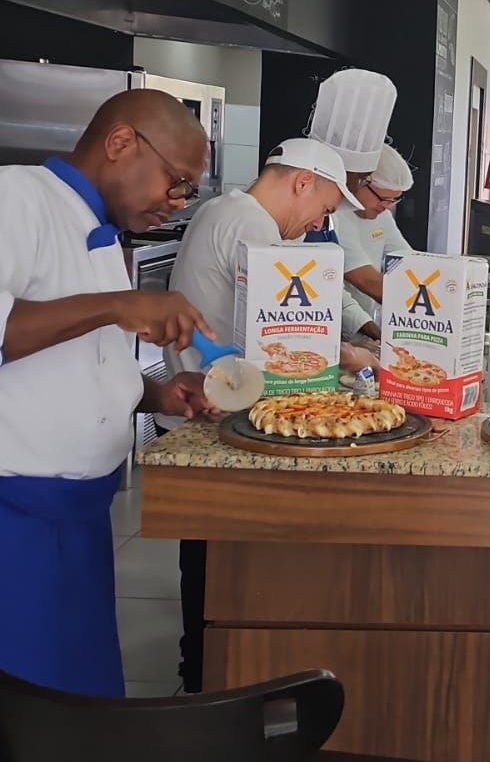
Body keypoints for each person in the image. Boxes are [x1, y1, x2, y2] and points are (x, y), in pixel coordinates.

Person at [0, 89, 222, 697]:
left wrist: (159, 395)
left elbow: (76, 368)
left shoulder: (97, 233)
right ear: (121, 143)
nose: (177, 203)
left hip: (77, 528)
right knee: (2, 716)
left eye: (188, 192)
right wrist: (117, 305)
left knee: (74, 714)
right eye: (176, 182)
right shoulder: (9, 196)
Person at [165, 136, 364, 692]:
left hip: (215, 399)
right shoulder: (251, 226)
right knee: (216, 560)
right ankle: (207, 674)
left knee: (205, 555)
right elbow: (289, 335)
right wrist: (350, 356)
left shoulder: (226, 210)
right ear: (302, 182)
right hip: (218, 412)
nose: (317, 224)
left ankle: (199, 664)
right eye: (324, 209)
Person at [332, 144, 415, 340]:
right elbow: (365, 279)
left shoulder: (381, 215)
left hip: (366, 328)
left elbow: (409, 263)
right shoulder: (333, 215)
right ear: (359, 181)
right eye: (383, 199)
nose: (387, 207)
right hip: (336, 329)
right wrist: (427, 304)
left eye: (394, 200)